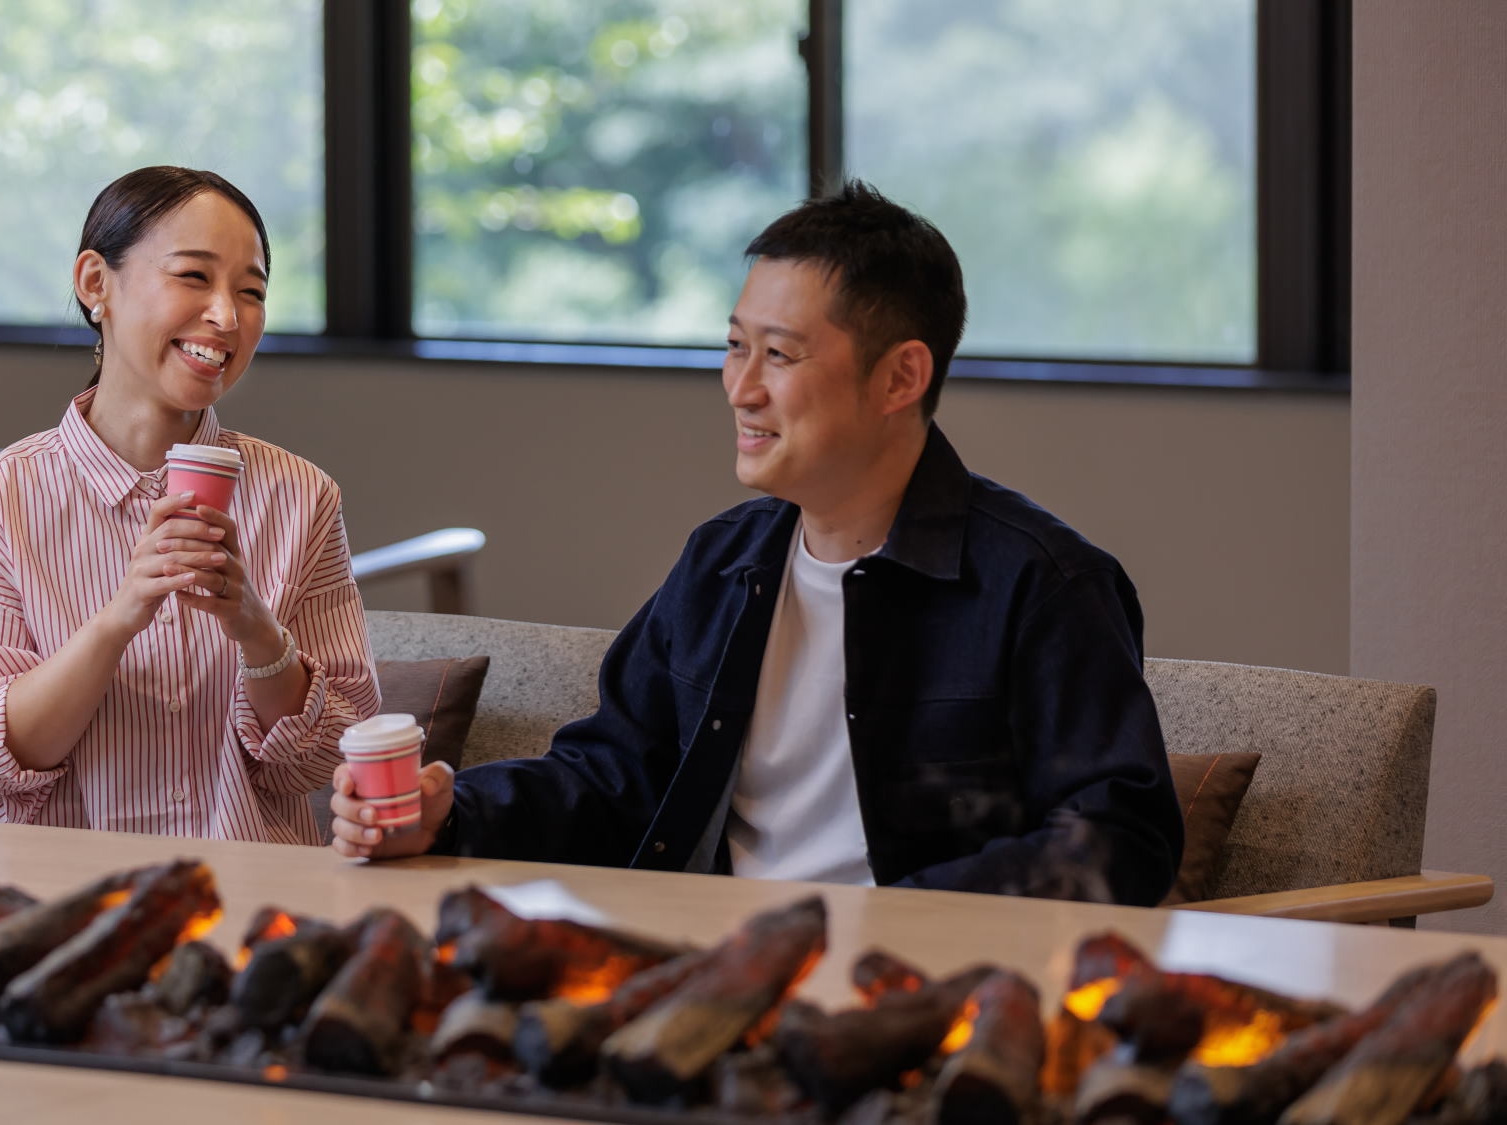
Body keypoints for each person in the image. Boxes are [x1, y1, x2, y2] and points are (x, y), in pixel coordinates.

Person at [329, 181, 1183, 905]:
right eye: (735, 347)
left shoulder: (1042, 584)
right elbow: (615, 776)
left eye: (779, 355)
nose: (741, 389)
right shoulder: (723, 563)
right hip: (712, 969)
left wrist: (889, 922)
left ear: (901, 376)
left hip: (920, 997)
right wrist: (453, 811)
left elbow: (1118, 838)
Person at [0, 166, 378, 842]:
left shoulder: (300, 497)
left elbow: (329, 756)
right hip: (44, 914)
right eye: (193, 276)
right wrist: (120, 618)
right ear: (96, 284)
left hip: (248, 913)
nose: (225, 315)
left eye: (251, 290)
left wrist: (255, 628)